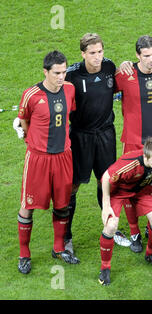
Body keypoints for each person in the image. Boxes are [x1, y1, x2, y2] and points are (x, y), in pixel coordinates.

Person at [16, 50, 80, 274]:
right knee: (28, 206)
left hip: (63, 156)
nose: (61, 77)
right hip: (38, 159)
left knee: (63, 204)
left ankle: (59, 248)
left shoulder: (70, 89)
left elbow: (68, 117)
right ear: (45, 72)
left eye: (63, 72)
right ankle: (24, 254)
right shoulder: (31, 95)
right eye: (56, 73)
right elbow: (24, 120)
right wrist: (32, 141)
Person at [114, 35, 152, 253]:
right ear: (137, 56)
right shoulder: (125, 74)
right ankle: (134, 232)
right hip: (134, 141)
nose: (151, 60)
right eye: (146, 56)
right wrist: (121, 64)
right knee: (130, 187)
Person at [65, 33, 118, 254]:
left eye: (100, 51)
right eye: (93, 53)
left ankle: (111, 227)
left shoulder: (109, 67)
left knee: (105, 182)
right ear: (83, 54)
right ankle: (65, 236)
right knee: (73, 186)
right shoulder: (72, 75)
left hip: (106, 134)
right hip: (81, 137)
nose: (98, 57)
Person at [98, 138, 152, 286]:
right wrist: (106, 205)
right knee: (111, 226)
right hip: (118, 192)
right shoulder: (131, 163)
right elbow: (106, 177)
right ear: (145, 157)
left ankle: (150, 254)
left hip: (140, 190)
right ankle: (105, 268)